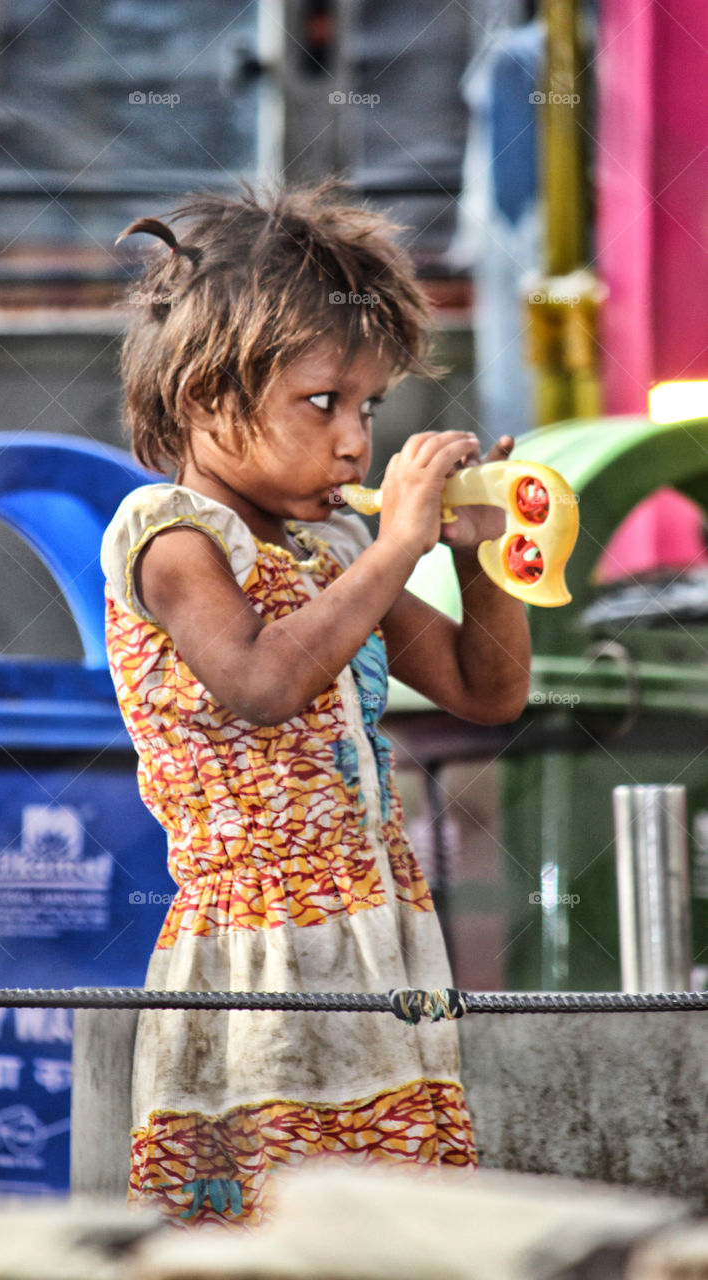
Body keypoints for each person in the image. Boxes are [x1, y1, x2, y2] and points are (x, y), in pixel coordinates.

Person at [100, 180, 531, 1227]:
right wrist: (395, 548)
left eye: (370, 408)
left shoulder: (336, 545)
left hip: (377, 925)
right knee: (279, 1217)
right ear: (207, 397)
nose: (355, 442)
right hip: (258, 945)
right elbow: (257, 683)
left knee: (394, 1218)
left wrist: (478, 562)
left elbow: (488, 692)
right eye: (322, 403)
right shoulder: (170, 536)